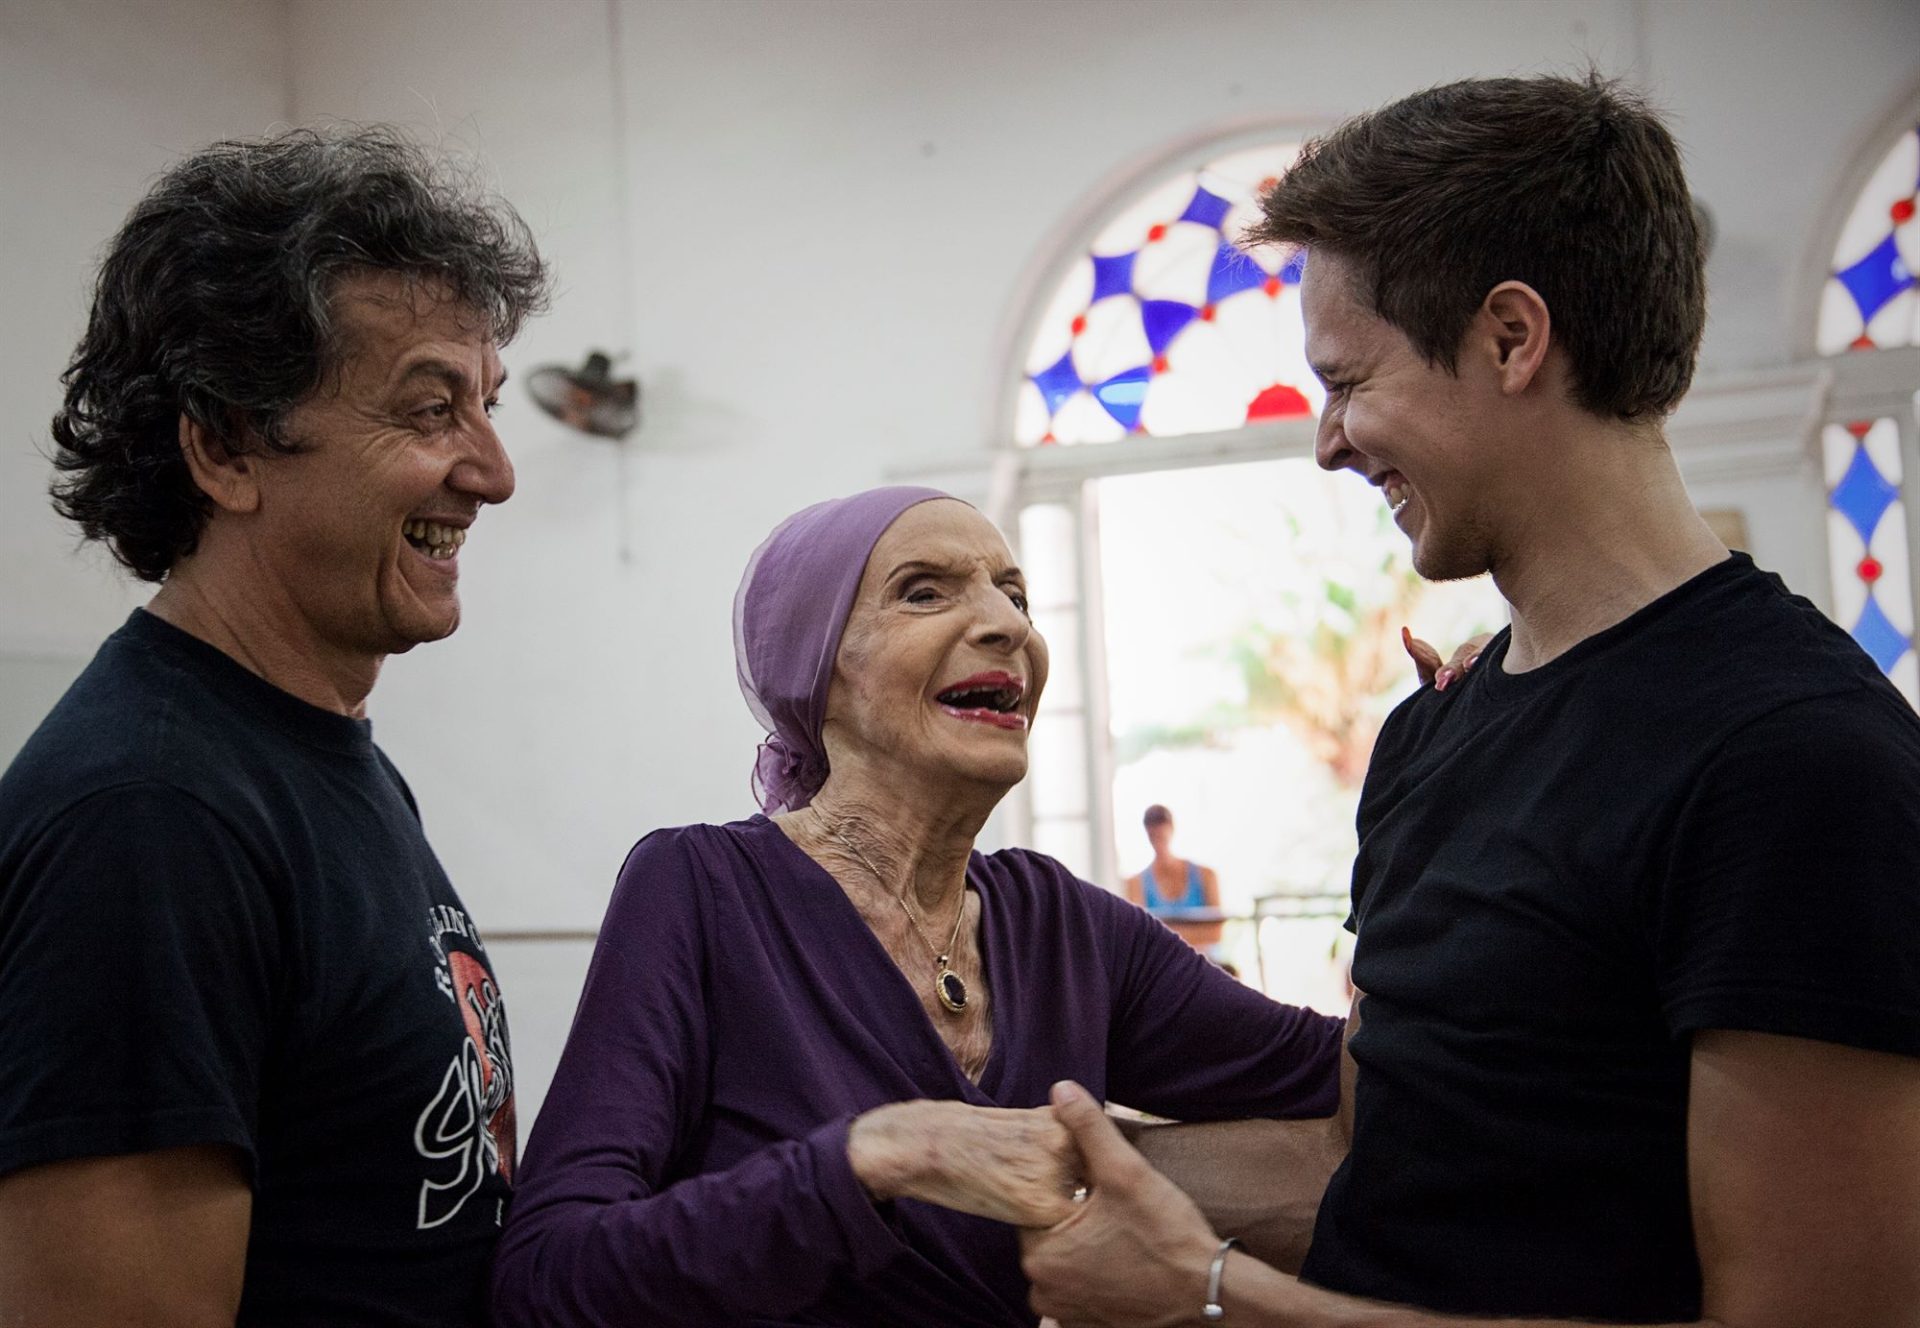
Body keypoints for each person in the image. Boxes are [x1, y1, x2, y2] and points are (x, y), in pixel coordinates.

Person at [1019, 74, 1920, 1328]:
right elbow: (1364, 1161)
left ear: (1511, 337)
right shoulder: (1431, 733)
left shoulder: (1798, 761)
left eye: (1345, 379)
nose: (1328, 442)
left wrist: (1209, 1302)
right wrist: (1016, 1165)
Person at [489, 487, 1348, 1327]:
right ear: (816, 668)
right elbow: (549, 1272)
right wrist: (882, 1155)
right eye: (924, 591)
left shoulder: (1064, 926)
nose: (1009, 624)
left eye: (1015, 594)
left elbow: (1361, 1077)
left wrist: (1453, 791)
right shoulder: (702, 888)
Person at [0, 128, 550, 1325]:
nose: (494, 471)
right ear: (225, 445)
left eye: (488, 404)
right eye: (428, 408)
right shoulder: (147, 819)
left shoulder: (319, 755)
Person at [1124, 804, 1226, 956]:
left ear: (1172, 828)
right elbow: (1141, 938)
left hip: (1206, 963)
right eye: (1153, 832)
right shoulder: (1136, 883)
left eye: (1161, 830)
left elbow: (1216, 933)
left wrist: (1166, 933)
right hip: (1166, 966)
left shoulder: (1206, 875)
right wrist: (1195, 932)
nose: (1158, 836)